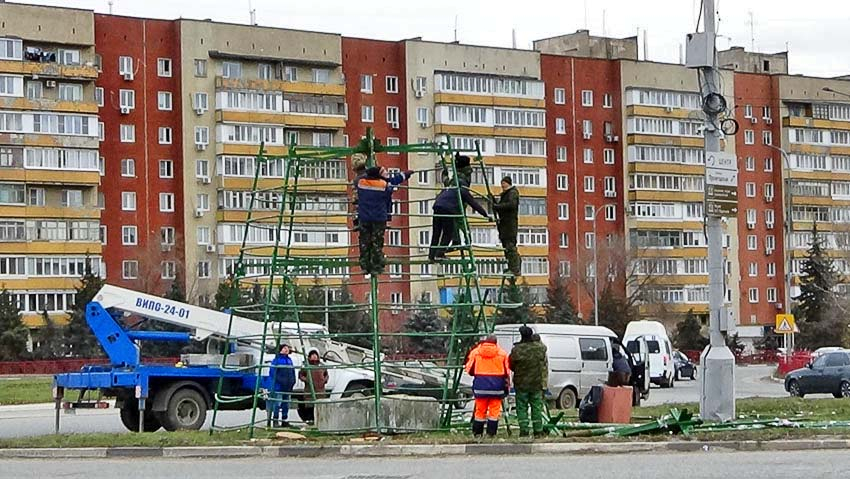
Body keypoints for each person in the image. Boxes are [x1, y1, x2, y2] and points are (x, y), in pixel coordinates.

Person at [429, 156, 491, 262]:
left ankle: (431, 255)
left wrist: (444, 175)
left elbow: (446, 182)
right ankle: (440, 254)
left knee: (436, 232)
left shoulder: (452, 186)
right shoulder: (463, 190)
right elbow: (474, 204)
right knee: (448, 233)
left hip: (437, 205)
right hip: (448, 209)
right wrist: (486, 215)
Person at [354, 166, 413, 275]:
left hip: (364, 217)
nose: (386, 173)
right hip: (378, 218)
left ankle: (365, 266)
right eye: (384, 172)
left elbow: (358, 181)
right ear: (379, 175)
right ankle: (376, 266)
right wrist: (404, 175)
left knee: (364, 242)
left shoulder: (361, 183)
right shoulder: (383, 185)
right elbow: (391, 184)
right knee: (377, 242)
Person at [464, 335, 510, 439]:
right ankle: (491, 433)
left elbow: (469, 370)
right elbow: (507, 372)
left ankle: (477, 433)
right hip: (497, 387)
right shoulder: (502, 354)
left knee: (480, 411)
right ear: (496, 343)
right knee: (494, 411)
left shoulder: (476, 352)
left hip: (480, 386)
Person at [508, 326, 548, 438]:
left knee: (521, 407)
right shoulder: (540, 348)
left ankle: (524, 430)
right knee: (536, 407)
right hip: (536, 383)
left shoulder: (517, 350)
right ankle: (538, 430)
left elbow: (511, 364)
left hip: (521, 383)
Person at [491, 176, 521, 278]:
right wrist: (494, 202)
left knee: (510, 247)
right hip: (504, 225)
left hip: (509, 225)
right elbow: (501, 207)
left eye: (503, 183)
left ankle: (514, 268)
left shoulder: (512, 193)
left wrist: (497, 206)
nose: (502, 185)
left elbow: (510, 205)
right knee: (507, 247)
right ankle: (511, 267)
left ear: (508, 183)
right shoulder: (506, 194)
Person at [297, 348, 329, 423]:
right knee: (310, 405)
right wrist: (307, 380)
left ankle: (320, 420)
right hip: (309, 389)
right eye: (312, 355)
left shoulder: (322, 365)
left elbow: (326, 374)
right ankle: (310, 419)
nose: (314, 357)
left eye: (315, 355)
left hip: (320, 389)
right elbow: (301, 375)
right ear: (309, 357)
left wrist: (324, 380)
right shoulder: (306, 365)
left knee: (320, 404)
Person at [269, 344, 296, 427]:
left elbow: (292, 371)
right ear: (280, 350)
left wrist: (293, 381)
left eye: (287, 348)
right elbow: (273, 373)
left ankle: (285, 420)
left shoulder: (289, 360)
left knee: (286, 404)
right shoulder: (276, 360)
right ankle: (275, 420)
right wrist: (280, 381)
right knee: (278, 403)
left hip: (288, 386)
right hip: (279, 386)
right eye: (284, 348)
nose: (286, 350)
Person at [350, 155, 368, 231]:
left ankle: (357, 223)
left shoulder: (358, 179)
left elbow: (356, 198)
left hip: (363, 210)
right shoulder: (368, 175)